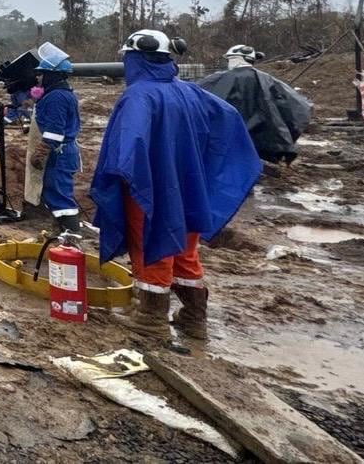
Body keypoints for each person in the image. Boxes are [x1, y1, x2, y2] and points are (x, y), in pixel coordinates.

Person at [90, 29, 261, 342]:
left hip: (150, 187)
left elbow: (130, 144)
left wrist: (121, 176)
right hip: (189, 188)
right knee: (183, 250)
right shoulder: (191, 92)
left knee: (152, 246)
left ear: (135, 58)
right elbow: (228, 117)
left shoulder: (139, 95)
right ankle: (194, 318)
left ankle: (151, 318)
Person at [198, 45, 312, 164]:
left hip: (223, 140)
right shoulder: (267, 80)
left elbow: (196, 98)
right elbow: (297, 108)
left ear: (235, 59)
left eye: (229, 59)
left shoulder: (218, 79)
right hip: (259, 141)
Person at [28, 43, 82, 234]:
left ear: (52, 75)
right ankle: (61, 233)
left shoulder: (56, 97)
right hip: (64, 152)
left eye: (42, 73)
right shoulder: (62, 94)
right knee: (55, 192)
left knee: (59, 195)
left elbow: (54, 131)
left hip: (60, 154)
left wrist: (41, 151)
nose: (38, 77)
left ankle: (71, 237)